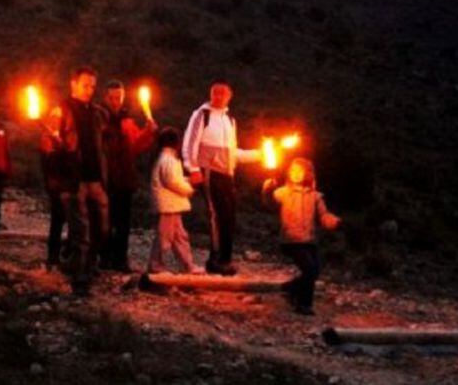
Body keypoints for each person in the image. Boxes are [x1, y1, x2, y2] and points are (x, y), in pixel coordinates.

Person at [181, 79, 260, 276]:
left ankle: (225, 259)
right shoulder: (202, 114)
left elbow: (233, 153)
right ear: (210, 94)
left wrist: (261, 155)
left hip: (227, 174)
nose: (218, 96)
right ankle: (215, 261)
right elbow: (189, 144)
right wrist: (193, 169)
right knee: (216, 215)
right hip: (208, 172)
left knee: (229, 216)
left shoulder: (230, 120)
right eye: (215, 92)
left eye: (222, 93)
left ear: (229, 96)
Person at [261, 157, 341, 315]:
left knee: (315, 271)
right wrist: (267, 190)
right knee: (310, 270)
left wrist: (331, 221)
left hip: (309, 240)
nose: (295, 173)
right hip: (291, 240)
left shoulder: (316, 196)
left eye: (300, 170)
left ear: (308, 174)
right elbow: (269, 203)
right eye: (293, 170)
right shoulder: (283, 192)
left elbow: (323, 215)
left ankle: (290, 288)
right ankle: (304, 305)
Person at [57, 66, 109, 295]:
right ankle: (79, 279)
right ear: (74, 84)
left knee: (102, 227)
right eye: (85, 85)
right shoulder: (61, 110)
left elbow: (103, 143)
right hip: (74, 179)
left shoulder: (97, 112)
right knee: (81, 231)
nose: (89, 90)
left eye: (92, 86)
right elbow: (49, 148)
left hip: (96, 179)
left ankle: (86, 266)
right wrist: (58, 182)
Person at [100, 80, 156, 272]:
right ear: (105, 98)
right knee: (105, 220)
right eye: (112, 97)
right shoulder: (99, 118)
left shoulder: (127, 121)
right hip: (105, 178)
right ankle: (104, 258)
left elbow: (136, 145)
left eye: (119, 98)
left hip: (124, 179)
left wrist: (148, 132)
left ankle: (120, 259)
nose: (116, 101)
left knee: (123, 222)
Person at [146, 128, 201, 274]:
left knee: (179, 237)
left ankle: (187, 265)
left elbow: (174, 179)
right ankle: (155, 265)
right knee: (164, 237)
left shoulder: (166, 159)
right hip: (168, 205)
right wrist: (190, 188)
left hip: (171, 205)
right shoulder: (168, 160)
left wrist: (188, 180)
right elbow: (172, 182)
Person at [40, 107, 75, 271]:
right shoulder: (47, 138)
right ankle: (53, 258)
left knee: (70, 222)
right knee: (58, 222)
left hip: (67, 185)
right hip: (57, 187)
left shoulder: (65, 137)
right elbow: (49, 162)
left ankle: (64, 255)